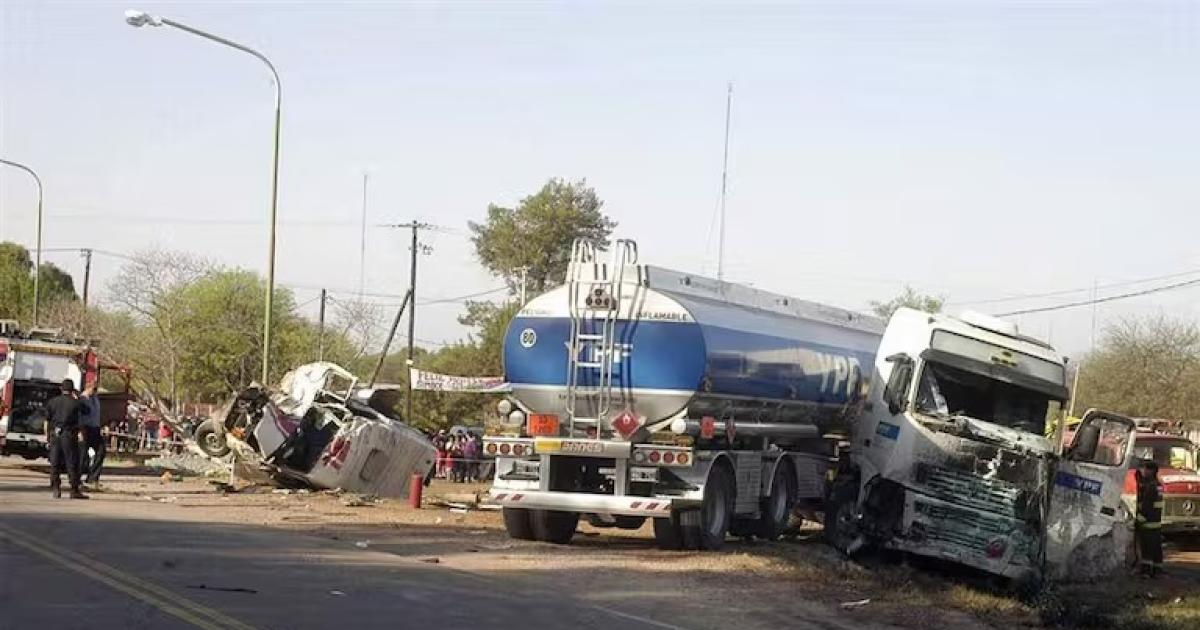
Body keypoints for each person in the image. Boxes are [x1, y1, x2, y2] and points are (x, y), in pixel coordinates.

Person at [41, 379, 87, 499]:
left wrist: (46, 436)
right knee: (71, 462)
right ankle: (74, 490)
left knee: (55, 462)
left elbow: (46, 421)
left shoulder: (52, 402)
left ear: (61, 389)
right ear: (72, 390)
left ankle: (56, 488)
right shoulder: (75, 403)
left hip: (55, 434)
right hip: (69, 434)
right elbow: (83, 416)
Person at [1135, 460, 1164, 577]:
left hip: (1147, 523)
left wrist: (1138, 521)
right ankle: (1157, 571)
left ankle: (1146, 572)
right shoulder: (1158, 485)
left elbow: (1146, 506)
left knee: (1146, 548)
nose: (1144, 471)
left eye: (1146, 469)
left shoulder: (1151, 487)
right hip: (1156, 523)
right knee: (1156, 549)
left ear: (1151, 471)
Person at [77, 384, 105, 487]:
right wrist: (80, 430)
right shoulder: (82, 399)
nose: (95, 391)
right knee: (83, 455)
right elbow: (79, 416)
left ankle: (93, 477)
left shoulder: (95, 399)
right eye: (93, 389)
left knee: (101, 451)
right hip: (85, 428)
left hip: (95, 428)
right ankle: (77, 479)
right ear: (87, 388)